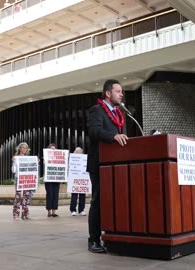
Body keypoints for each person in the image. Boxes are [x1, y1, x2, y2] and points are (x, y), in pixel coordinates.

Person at [87, 79, 128, 253]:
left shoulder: (120, 114)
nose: (121, 94)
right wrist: (113, 136)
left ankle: (112, 236)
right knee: (98, 202)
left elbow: (123, 137)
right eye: (118, 91)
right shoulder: (97, 110)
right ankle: (94, 240)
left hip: (116, 166)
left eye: (122, 92)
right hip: (99, 164)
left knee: (115, 201)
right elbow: (94, 131)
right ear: (108, 93)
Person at [12, 142, 34, 220]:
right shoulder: (16, 157)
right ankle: (16, 214)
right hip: (18, 179)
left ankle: (25, 214)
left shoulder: (29, 158)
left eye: (26, 148)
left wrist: (36, 162)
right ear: (19, 149)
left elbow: (32, 169)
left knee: (26, 197)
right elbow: (13, 171)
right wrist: (14, 162)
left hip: (27, 180)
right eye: (23, 148)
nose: (24, 149)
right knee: (18, 197)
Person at [70, 147, 86, 216]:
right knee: (74, 196)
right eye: (77, 152)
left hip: (82, 180)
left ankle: (81, 210)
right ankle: (73, 210)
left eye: (80, 152)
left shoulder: (85, 160)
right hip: (74, 180)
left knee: (82, 195)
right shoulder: (72, 160)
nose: (79, 153)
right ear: (75, 152)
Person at [45, 143, 60, 217]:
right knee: (50, 194)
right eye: (51, 149)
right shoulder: (46, 157)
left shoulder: (59, 158)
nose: (53, 150)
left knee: (55, 195)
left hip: (56, 179)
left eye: (54, 149)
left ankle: (54, 211)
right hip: (48, 179)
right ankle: (49, 211)